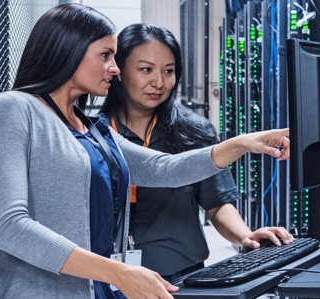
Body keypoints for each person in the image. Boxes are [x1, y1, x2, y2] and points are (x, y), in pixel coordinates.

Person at [0, 4, 289, 299]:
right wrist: (119, 272)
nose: (114, 68)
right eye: (106, 55)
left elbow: (164, 169)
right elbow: (9, 227)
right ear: (69, 50)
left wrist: (243, 143)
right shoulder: (11, 110)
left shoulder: (92, 128)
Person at [100, 23, 295, 281]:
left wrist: (245, 236)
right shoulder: (95, 135)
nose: (159, 82)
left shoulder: (192, 131)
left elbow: (217, 204)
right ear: (119, 70)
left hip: (182, 277)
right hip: (113, 279)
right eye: (146, 69)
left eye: (169, 71)